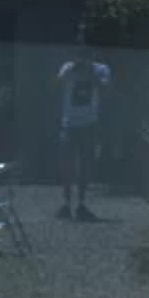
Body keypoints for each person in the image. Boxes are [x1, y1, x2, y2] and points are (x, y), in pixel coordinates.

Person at [54, 40, 112, 222]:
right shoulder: (68, 67)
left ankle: (81, 203)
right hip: (69, 124)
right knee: (67, 165)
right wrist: (73, 70)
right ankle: (66, 203)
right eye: (80, 56)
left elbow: (106, 88)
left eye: (86, 56)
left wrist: (89, 74)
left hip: (89, 124)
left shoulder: (100, 69)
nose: (82, 60)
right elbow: (57, 84)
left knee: (86, 165)